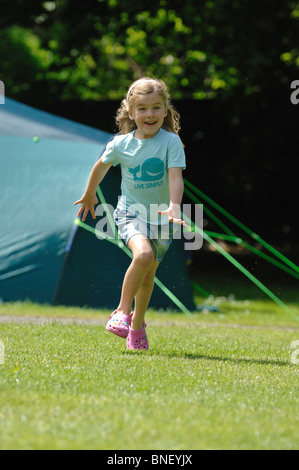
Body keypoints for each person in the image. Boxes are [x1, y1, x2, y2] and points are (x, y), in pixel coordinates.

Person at [74, 77, 187, 351]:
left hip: (163, 219)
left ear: (165, 110)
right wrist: (90, 194)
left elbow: (175, 177)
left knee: (148, 277)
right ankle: (122, 312)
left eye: (156, 108)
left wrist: (174, 205)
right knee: (144, 255)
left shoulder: (171, 142)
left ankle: (137, 327)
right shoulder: (120, 144)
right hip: (130, 215)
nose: (150, 114)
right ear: (132, 113)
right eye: (143, 109)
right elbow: (100, 167)